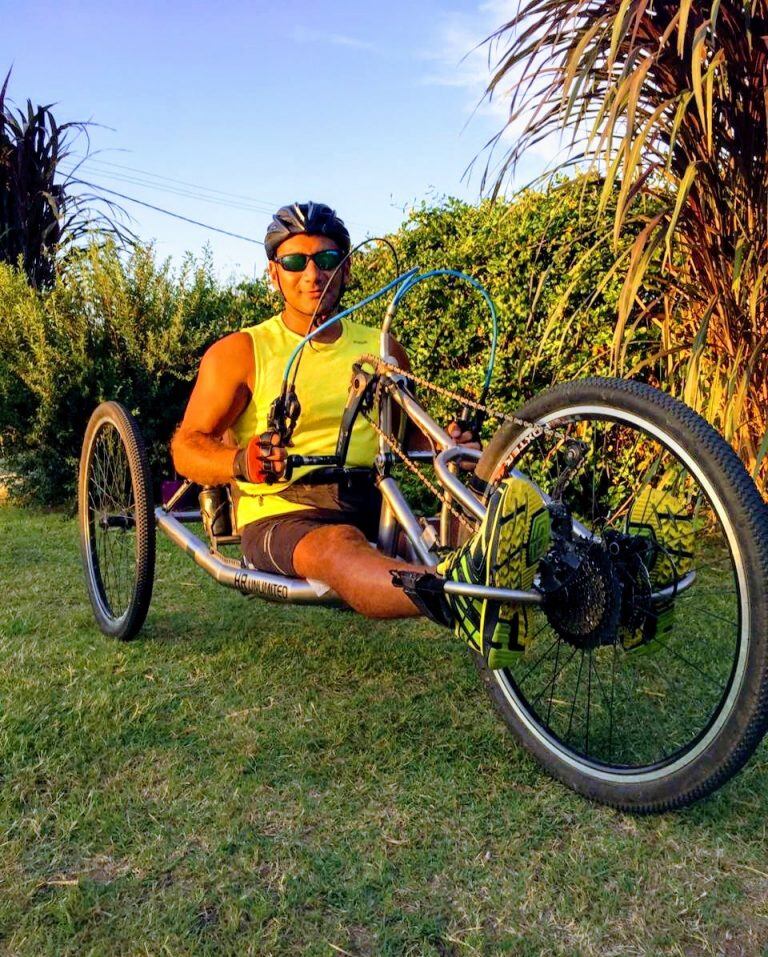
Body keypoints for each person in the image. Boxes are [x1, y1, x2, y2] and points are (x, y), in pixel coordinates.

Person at [171, 202, 551, 669]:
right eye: (295, 262)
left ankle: (616, 579)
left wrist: (452, 447)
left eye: (326, 260)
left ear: (346, 269)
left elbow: (408, 437)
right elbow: (187, 445)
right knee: (338, 547)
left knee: (475, 528)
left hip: (374, 503)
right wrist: (239, 462)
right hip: (282, 513)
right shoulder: (241, 352)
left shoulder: (383, 347)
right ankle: (456, 599)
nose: (312, 274)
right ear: (274, 274)